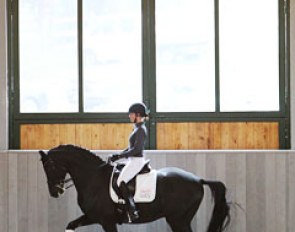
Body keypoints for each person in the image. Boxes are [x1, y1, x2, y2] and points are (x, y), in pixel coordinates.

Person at [109, 102, 149, 222]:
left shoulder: (141, 129)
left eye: (131, 114)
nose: (129, 116)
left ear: (137, 114)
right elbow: (130, 147)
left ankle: (132, 210)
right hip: (132, 160)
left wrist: (120, 156)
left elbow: (136, 149)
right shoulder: (137, 128)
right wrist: (118, 155)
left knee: (121, 181)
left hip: (136, 161)